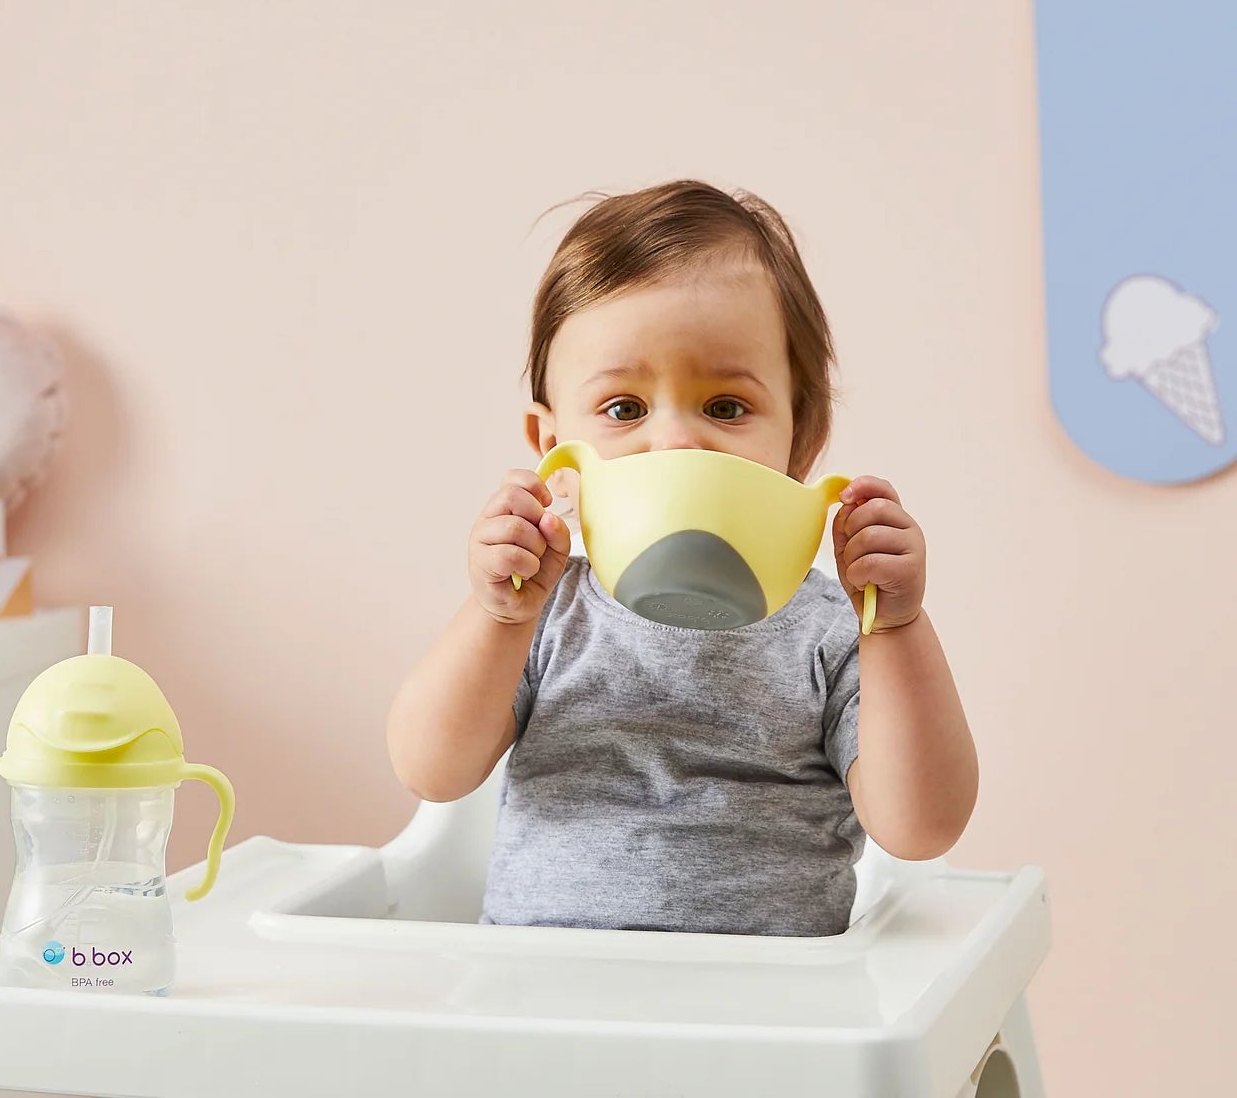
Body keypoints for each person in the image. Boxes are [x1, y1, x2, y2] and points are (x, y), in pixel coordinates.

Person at [387, 179, 978, 937]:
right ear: (550, 451)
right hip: (543, 1006)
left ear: (801, 442)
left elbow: (922, 828)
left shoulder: (832, 631)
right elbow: (430, 771)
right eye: (624, 409)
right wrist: (496, 615)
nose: (674, 441)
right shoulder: (544, 610)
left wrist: (897, 628)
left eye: (726, 408)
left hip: (768, 1019)